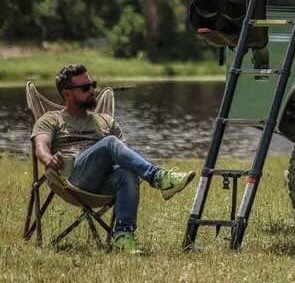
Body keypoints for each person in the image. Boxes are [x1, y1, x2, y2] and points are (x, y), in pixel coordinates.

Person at [31, 63, 196, 253]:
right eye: (85, 88)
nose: (92, 90)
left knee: (127, 171)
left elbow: (124, 154)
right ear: (67, 94)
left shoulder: (105, 121)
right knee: (110, 142)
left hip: (102, 182)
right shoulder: (52, 119)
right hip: (70, 179)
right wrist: (48, 158)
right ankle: (159, 177)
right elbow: (40, 146)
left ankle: (123, 236)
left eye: (93, 84)